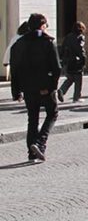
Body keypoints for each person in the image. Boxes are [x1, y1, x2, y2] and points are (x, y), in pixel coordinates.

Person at [9, 13, 61, 162]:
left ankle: (32, 153)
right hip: (45, 87)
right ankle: (40, 143)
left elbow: (15, 69)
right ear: (42, 26)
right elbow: (56, 68)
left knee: (33, 119)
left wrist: (16, 91)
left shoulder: (18, 44)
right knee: (52, 113)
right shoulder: (47, 42)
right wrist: (52, 87)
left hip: (28, 88)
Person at [58, 21, 87, 102]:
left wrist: (63, 59)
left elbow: (63, 48)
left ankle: (62, 90)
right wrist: (83, 60)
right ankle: (76, 97)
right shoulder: (80, 37)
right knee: (78, 80)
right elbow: (80, 50)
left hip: (67, 60)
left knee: (70, 78)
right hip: (76, 61)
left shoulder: (68, 36)